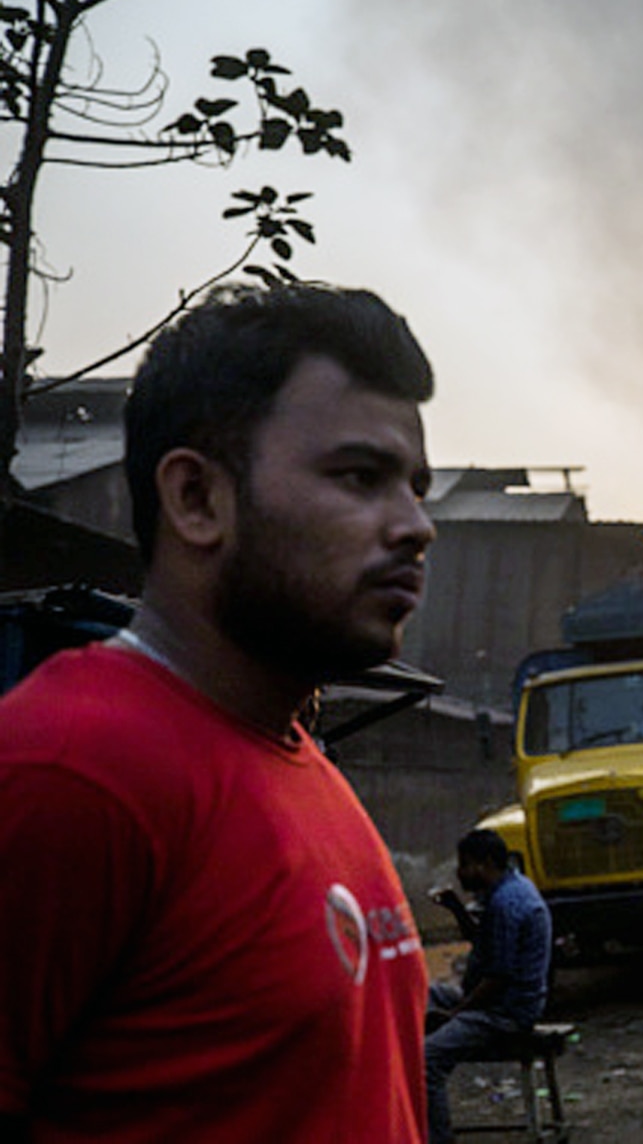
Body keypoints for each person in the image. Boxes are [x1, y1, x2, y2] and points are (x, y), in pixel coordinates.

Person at [0, 284, 437, 1142]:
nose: (417, 526)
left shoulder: (300, 760)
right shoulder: (68, 773)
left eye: (417, 487)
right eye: (361, 477)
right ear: (198, 498)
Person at [425, 828, 552, 1144]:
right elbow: (485, 942)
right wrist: (456, 909)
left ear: (485, 864)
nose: (460, 872)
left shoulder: (506, 904)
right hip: (494, 1002)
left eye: (465, 865)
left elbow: (498, 977)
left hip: (505, 1012)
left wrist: (455, 1015)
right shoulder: (507, 890)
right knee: (422, 993)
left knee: (426, 1062)